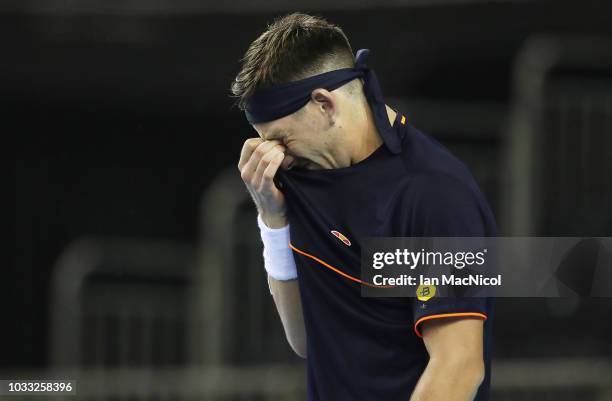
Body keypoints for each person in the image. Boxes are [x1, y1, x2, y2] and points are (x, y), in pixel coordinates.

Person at [233, 12, 496, 401]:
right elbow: (307, 339)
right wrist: (272, 220)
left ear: (324, 104)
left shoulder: (433, 194)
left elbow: (459, 366)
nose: (279, 158)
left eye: (282, 139)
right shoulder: (301, 181)